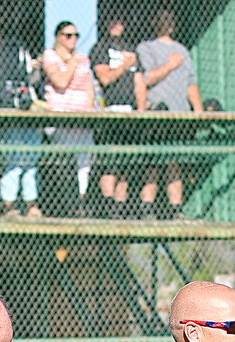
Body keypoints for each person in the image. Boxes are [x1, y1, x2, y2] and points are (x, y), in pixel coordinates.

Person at [134, 9, 201, 218]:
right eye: (162, 20)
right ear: (154, 22)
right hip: (157, 113)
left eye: (170, 20)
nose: (167, 23)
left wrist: (198, 110)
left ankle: (176, 209)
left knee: (174, 163)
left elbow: (190, 83)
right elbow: (147, 78)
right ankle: (147, 209)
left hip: (179, 114)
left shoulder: (182, 50)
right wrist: (170, 66)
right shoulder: (146, 48)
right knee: (153, 163)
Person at [0, 23, 42, 218]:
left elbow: (31, 80)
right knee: (14, 162)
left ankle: (31, 204)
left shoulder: (21, 51)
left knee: (30, 162)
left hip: (28, 114)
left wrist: (36, 68)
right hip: (10, 114)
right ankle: (9, 206)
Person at [42, 21, 95, 215]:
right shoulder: (50, 56)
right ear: (58, 36)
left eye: (76, 35)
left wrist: (89, 110)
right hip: (61, 116)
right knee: (64, 161)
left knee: (84, 161)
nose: (72, 39)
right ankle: (64, 204)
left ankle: (79, 205)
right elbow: (60, 81)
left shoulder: (83, 58)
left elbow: (89, 87)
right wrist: (72, 62)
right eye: (67, 35)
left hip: (82, 117)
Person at [90, 13, 137, 218]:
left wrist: (141, 108)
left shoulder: (130, 50)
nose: (117, 25)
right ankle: (108, 203)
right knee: (110, 161)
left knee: (125, 162)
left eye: (120, 21)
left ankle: (120, 206)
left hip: (130, 110)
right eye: (112, 21)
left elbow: (139, 81)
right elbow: (105, 78)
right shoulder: (100, 49)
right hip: (110, 109)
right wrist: (124, 66)